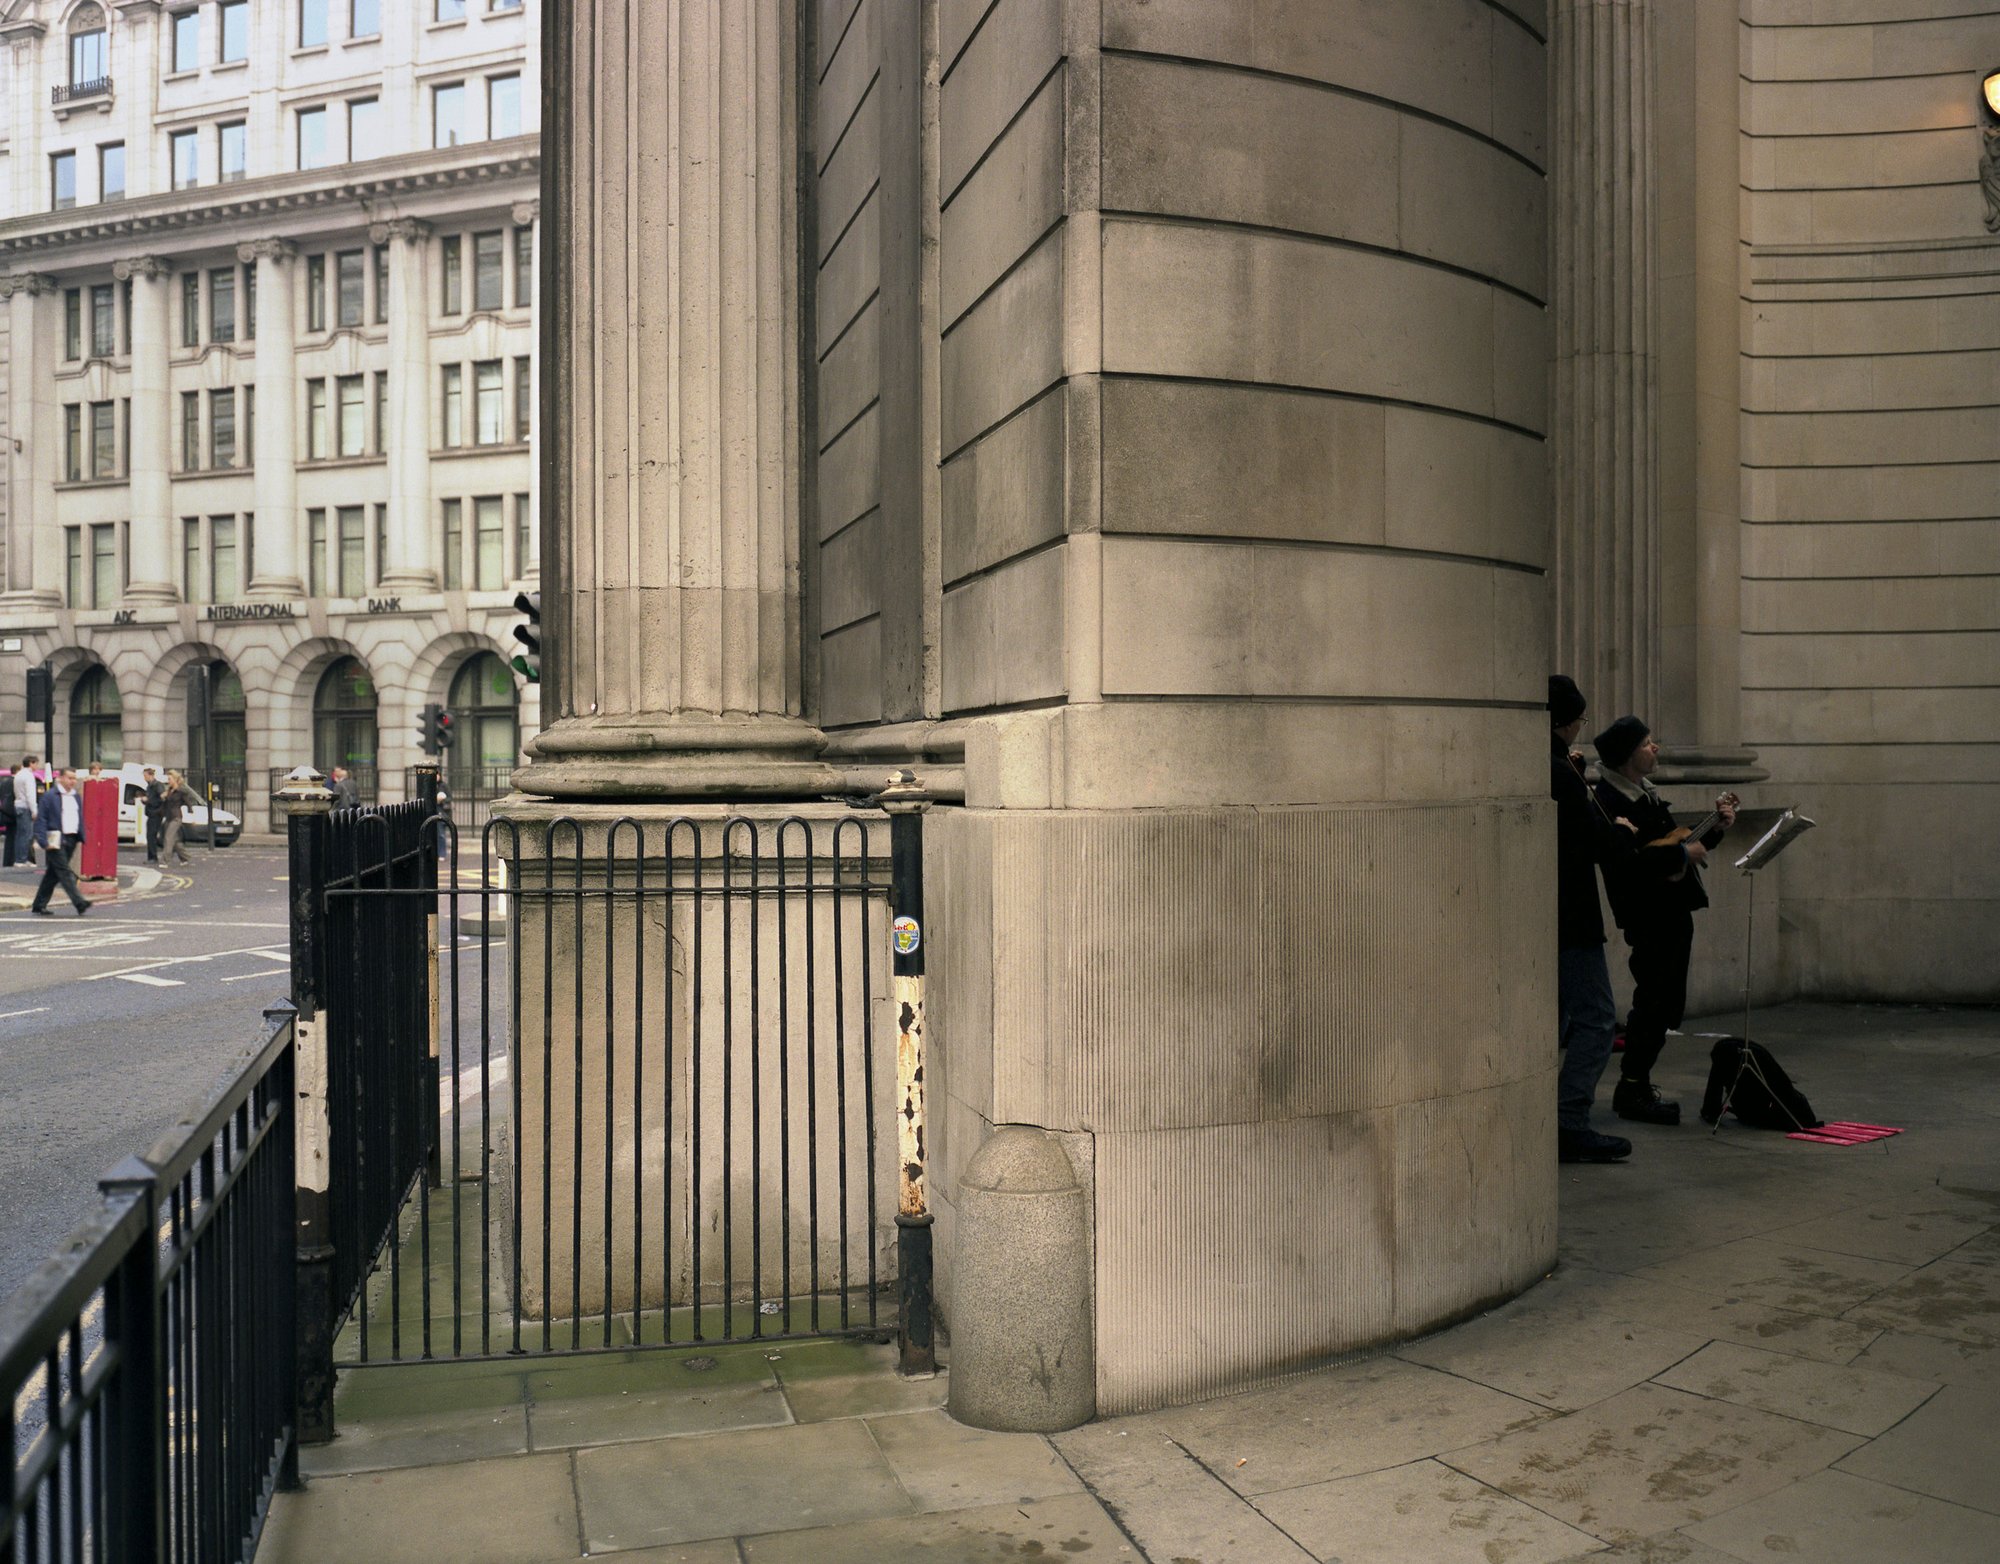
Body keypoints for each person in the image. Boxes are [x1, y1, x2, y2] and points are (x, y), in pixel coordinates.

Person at [1592, 716, 1736, 1125]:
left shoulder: (1644, 794)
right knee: (1654, 1002)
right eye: (1646, 743)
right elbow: (1628, 860)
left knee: (1666, 1003)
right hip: (1649, 913)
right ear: (1626, 755)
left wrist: (1717, 829)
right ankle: (1632, 1087)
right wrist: (1678, 856)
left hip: (1670, 910)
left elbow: (1677, 845)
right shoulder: (1610, 800)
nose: (1654, 748)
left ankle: (1636, 1084)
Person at [1548, 676, 1643, 1164]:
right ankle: (1568, 1120)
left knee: (1558, 1018)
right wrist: (1620, 831)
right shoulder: (1560, 773)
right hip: (1573, 916)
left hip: (1549, 915)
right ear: (1565, 721)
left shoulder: (1548, 764)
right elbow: (1590, 840)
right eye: (1579, 720)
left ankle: (1552, 1116)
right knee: (1598, 1019)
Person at [30, 768, 91, 916]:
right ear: (61, 778)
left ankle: (39, 904)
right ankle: (79, 902)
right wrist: (43, 841)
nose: (72, 781)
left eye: (74, 779)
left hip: (71, 838)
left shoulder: (75, 796)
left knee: (53, 873)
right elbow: (41, 820)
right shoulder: (50, 796)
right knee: (64, 872)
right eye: (70, 778)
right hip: (56, 840)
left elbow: (79, 817)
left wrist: (81, 835)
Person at [161, 769, 198, 866]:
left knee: (168, 838)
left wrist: (193, 817)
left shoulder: (181, 791)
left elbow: (188, 804)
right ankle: (185, 858)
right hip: (168, 817)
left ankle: (165, 861)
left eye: (169, 779)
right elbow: (165, 805)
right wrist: (163, 797)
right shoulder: (169, 790)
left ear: (175, 779)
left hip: (176, 817)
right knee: (175, 840)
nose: (168, 781)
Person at [12, 756, 38, 870]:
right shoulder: (28, 776)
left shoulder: (19, 774)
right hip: (25, 806)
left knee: (21, 834)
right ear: (31, 763)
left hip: (18, 805)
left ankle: (21, 858)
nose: (37, 766)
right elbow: (30, 795)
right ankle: (21, 859)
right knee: (27, 835)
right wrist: (34, 810)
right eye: (36, 763)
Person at [142, 766, 167, 864]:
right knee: (149, 835)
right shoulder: (149, 786)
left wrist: (148, 800)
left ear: (151, 775)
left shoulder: (157, 785)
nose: (144, 778)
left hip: (156, 813)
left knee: (151, 835)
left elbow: (161, 799)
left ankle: (153, 857)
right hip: (151, 813)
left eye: (145, 775)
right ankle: (151, 857)